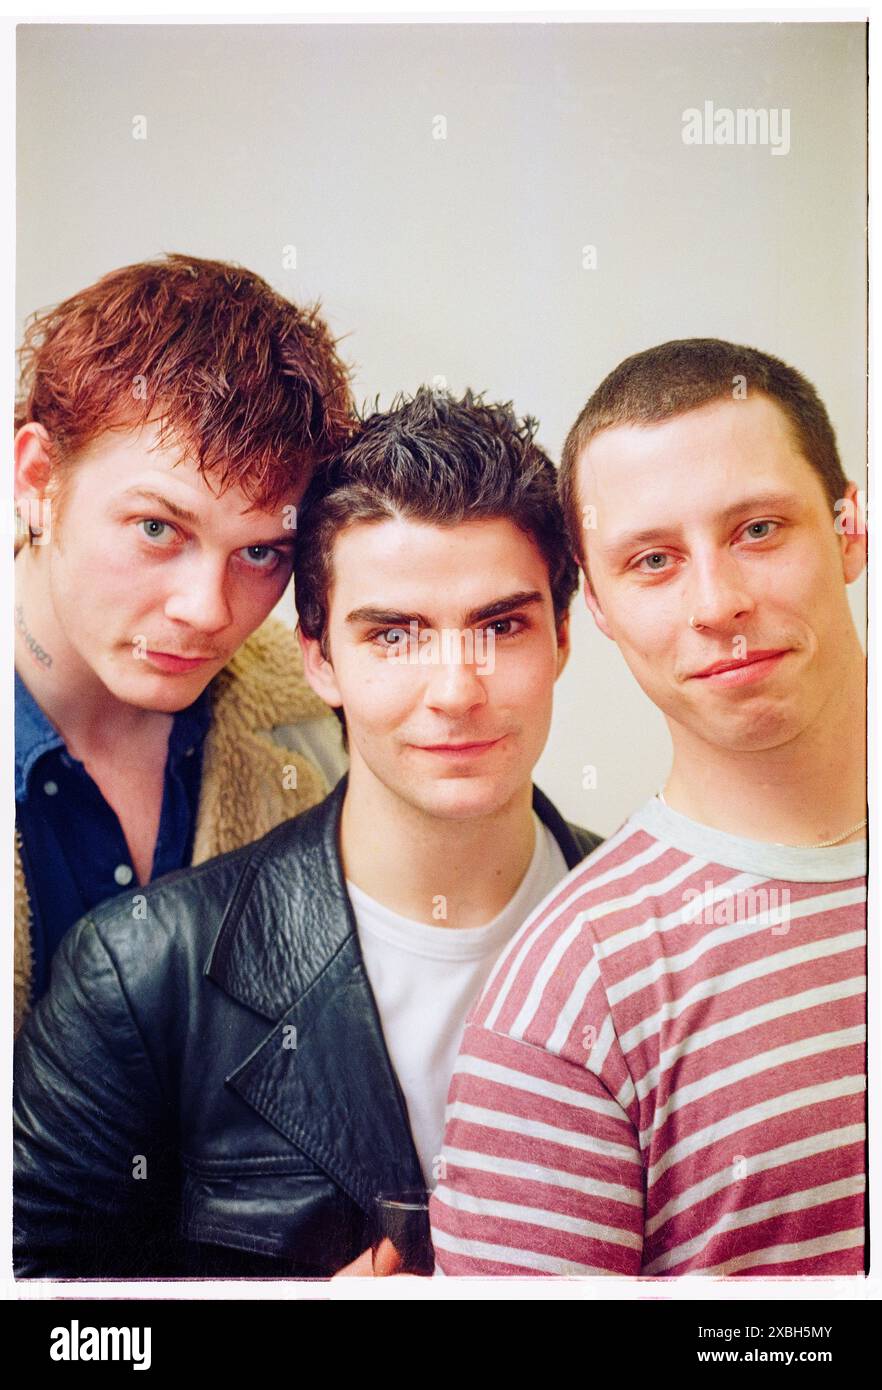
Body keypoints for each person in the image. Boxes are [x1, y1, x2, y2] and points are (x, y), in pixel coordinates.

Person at [13, 387, 601, 1278]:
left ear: (561, 637)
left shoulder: (670, 930)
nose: (455, 689)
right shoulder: (137, 974)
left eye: (500, 625)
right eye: (394, 635)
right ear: (318, 659)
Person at [430, 339, 867, 1277]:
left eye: (758, 530)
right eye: (654, 560)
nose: (719, 603)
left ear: (849, 528)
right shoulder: (569, 1000)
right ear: (598, 609)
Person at [13, 254, 352, 1033]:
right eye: (158, 528)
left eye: (261, 552)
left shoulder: (324, 727)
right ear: (38, 481)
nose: (207, 611)